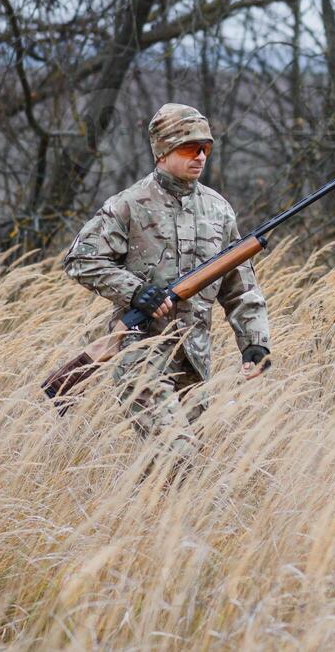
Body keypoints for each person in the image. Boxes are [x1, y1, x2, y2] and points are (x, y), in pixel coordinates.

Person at [63, 103, 270, 462]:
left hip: (195, 361)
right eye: (190, 148)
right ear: (163, 152)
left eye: (206, 148)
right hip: (141, 354)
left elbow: (241, 287)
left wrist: (254, 344)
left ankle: (140, 518)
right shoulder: (128, 205)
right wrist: (136, 292)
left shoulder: (219, 210)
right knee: (180, 458)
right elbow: (80, 259)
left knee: (177, 474)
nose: (201, 156)